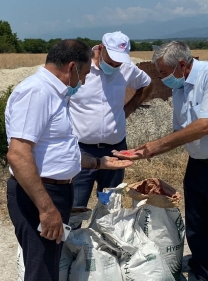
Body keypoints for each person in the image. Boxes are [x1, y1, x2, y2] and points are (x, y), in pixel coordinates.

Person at [113, 41, 208, 281]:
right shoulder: (180, 89)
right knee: (197, 224)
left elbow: (205, 125)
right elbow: (180, 133)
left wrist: (155, 145)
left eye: (163, 73)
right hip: (198, 163)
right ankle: (203, 273)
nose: (161, 79)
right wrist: (146, 151)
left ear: (182, 65)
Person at [5, 39, 133, 281]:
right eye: (84, 74)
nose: (83, 81)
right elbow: (18, 154)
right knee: (41, 269)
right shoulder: (37, 93)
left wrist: (99, 163)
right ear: (72, 67)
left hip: (53, 192)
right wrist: (46, 208)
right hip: (40, 194)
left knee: (51, 265)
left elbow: (55, 151)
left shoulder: (55, 94)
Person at [68, 31, 153, 211]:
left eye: (119, 61)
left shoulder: (127, 69)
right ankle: (69, 238)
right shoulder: (81, 68)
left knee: (110, 205)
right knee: (74, 205)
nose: (115, 64)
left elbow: (147, 83)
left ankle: (106, 237)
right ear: (101, 48)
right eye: (112, 59)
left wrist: (128, 109)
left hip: (115, 150)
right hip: (81, 150)